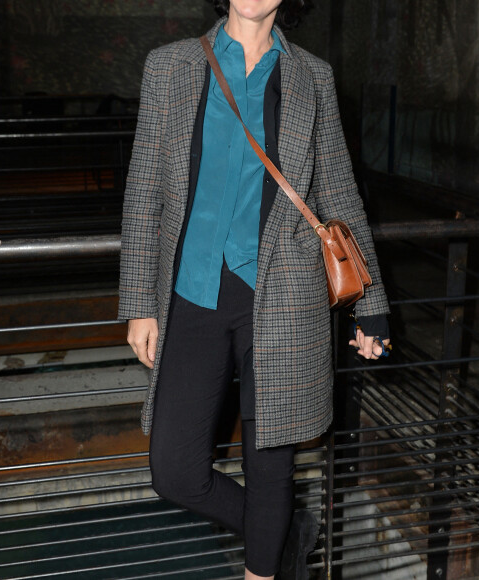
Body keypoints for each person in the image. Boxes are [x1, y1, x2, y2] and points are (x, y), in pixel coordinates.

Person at [118, 1, 391, 578]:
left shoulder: (311, 76)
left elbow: (339, 194)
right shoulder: (170, 66)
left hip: (286, 296)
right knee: (175, 472)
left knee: (271, 468)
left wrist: (372, 304)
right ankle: (283, 530)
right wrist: (141, 301)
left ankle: (264, 563)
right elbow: (143, 192)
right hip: (192, 290)